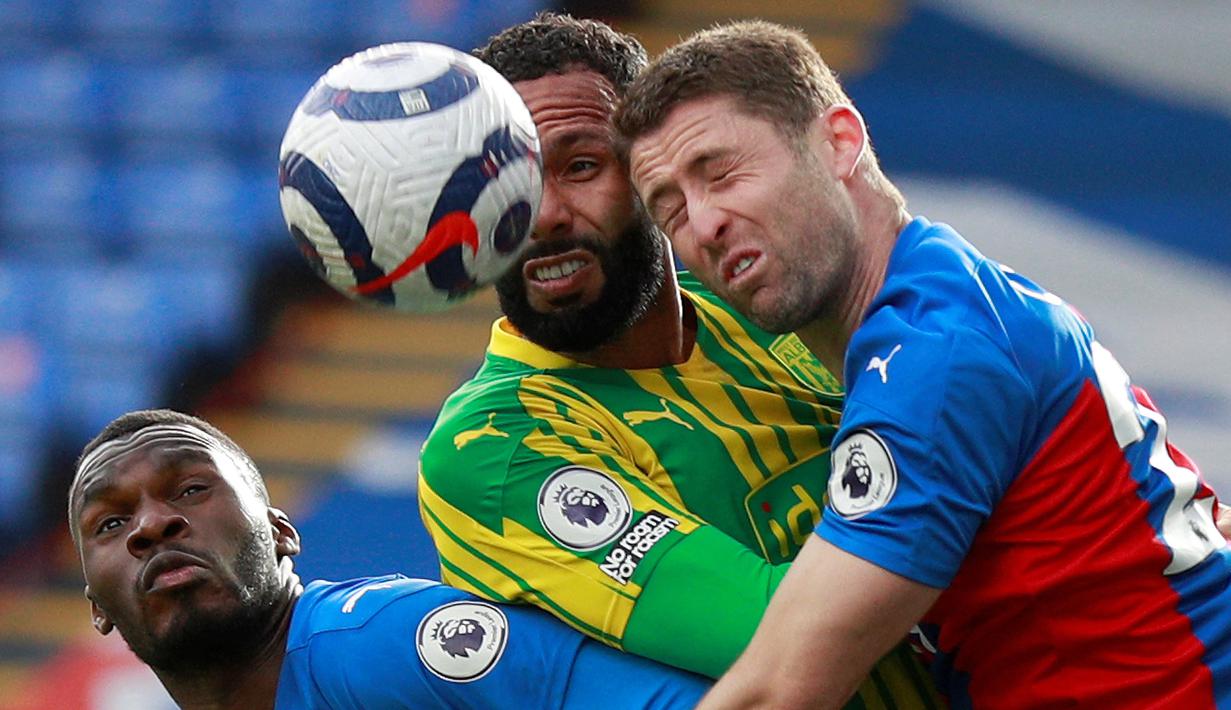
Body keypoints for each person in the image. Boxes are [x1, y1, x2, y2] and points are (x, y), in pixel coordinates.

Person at [616, 19, 1231, 709]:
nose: (702, 224)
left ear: (838, 142)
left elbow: (781, 692)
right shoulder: (947, 295)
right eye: (668, 210)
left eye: (720, 173)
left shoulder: (932, 359)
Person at [417, 12, 943, 706]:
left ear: (654, 173)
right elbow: (780, 636)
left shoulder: (764, 293)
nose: (541, 215)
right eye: (506, 186)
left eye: (580, 166)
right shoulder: (493, 448)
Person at [68, 409, 710, 709]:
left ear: (280, 532)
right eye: (113, 521)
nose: (153, 524)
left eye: (189, 489)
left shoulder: (381, 645)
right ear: (96, 606)